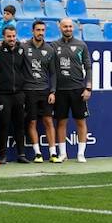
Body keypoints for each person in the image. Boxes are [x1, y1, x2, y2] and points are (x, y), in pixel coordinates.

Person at [50, 17, 92, 163]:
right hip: (61, 90)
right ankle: (63, 153)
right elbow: (51, 70)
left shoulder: (81, 45)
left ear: (73, 28)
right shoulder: (54, 45)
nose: (68, 29)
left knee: (80, 121)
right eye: (65, 27)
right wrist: (53, 91)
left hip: (78, 89)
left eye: (70, 26)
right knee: (61, 122)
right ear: (60, 28)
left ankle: (81, 153)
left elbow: (88, 67)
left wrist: (88, 87)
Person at [0, 24, 29, 163]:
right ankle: (2, 156)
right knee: (3, 126)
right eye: (9, 36)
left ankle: (21, 154)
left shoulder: (21, 49)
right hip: (3, 94)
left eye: (14, 36)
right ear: (4, 37)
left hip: (19, 94)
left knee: (20, 125)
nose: (12, 39)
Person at [21, 19, 56, 162]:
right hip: (29, 91)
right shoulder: (23, 47)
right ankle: (38, 154)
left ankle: (53, 153)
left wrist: (53, 91)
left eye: (42, 30)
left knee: (48, 121)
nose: (40, 33)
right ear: (32, 31)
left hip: (44, 90)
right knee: (32, 122)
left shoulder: (49, 49)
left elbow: (53, 73)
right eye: (38, 30)